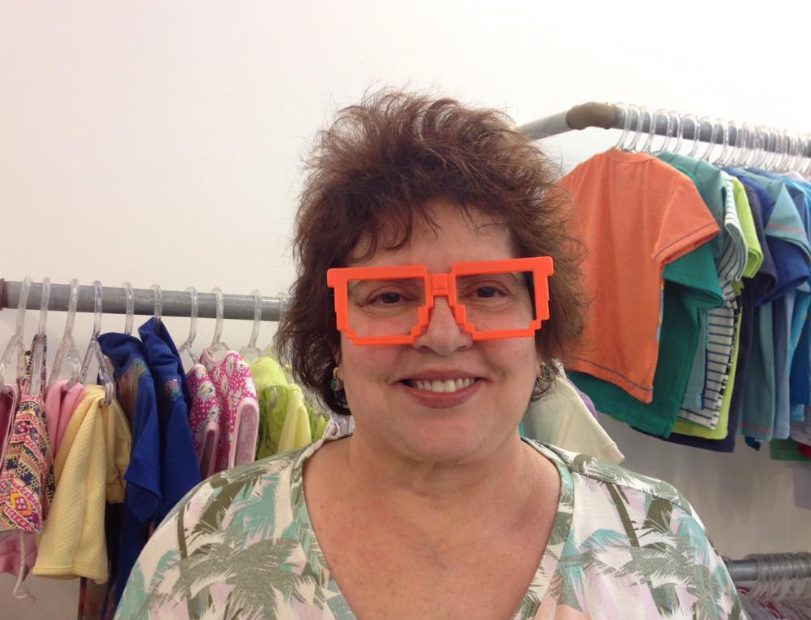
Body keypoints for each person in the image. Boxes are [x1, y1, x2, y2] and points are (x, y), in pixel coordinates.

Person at [113, 91, 746, 619]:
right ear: (333, 336)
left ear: (540, 322)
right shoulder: (206, 543)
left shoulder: (660, 538)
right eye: (390, 296)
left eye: (487, 291)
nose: (443, 336)